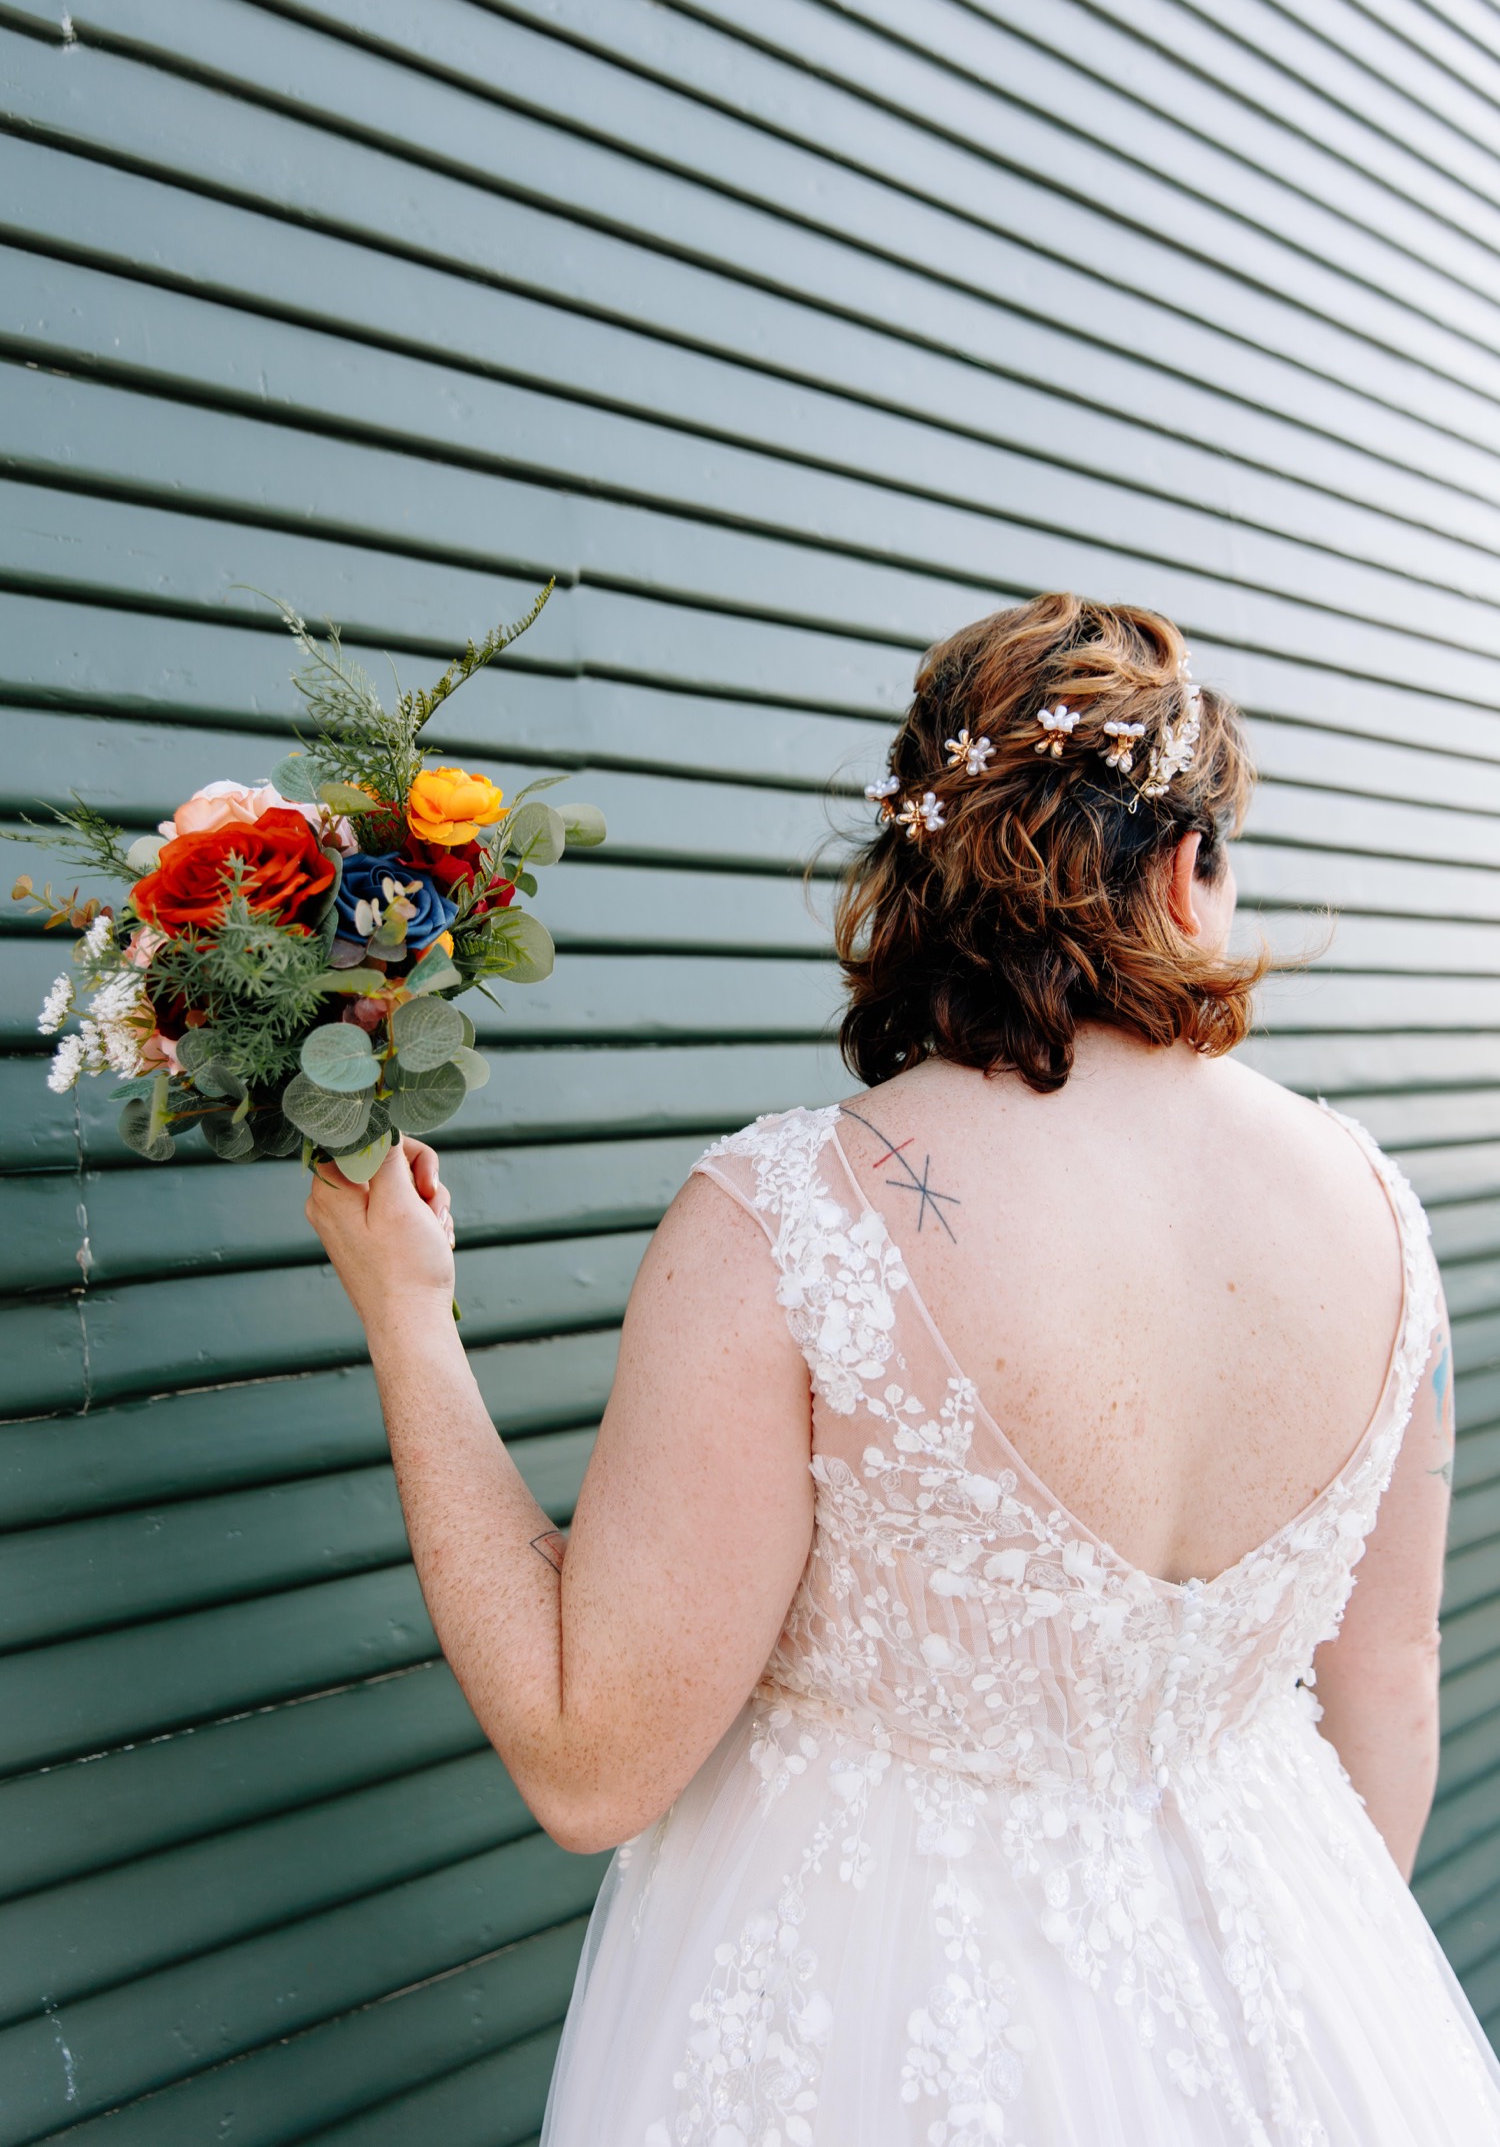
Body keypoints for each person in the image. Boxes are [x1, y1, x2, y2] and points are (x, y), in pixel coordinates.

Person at [308, 594, 1500, 2145]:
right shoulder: (1382, 1217)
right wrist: (1260, 1999)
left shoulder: (796, 1217)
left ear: (923, 862)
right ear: (1186, 869)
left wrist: (406, 1315)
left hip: (864, 2024)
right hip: (1294, 1990)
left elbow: (588, 1762)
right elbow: (1389, 1684)